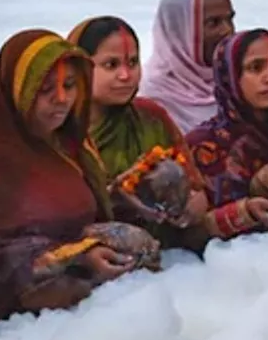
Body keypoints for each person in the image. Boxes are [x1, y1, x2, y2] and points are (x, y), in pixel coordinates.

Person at [0, 29, 142, 330]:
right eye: (45, 89)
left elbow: (82, 210)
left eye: (70, 85)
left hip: (88, 311)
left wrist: (124, 196)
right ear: (19, 91)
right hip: (21, 331)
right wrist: (79, 256)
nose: (62, 99)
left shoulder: (73, 146)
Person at [69, 15, 212, 252]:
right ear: (80, 68)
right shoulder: (62, 128)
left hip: (165, 259)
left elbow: (196, 191)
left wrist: (187, 207)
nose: (126, 75)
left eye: (133, 62)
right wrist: (115, 195)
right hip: (93, 258)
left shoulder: (151, 117)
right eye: (111, 65)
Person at [187, 30, 268, 256]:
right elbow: (187, 236)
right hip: (228, 270)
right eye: (255, 68)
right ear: (230, 76)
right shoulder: (204, 145)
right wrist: (244, 212)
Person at [140, 0, 236, 132]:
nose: (227, 31)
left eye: (230, 19)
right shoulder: (150, 97)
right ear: (180, 32)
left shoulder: (237, 84)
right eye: (213, 23)